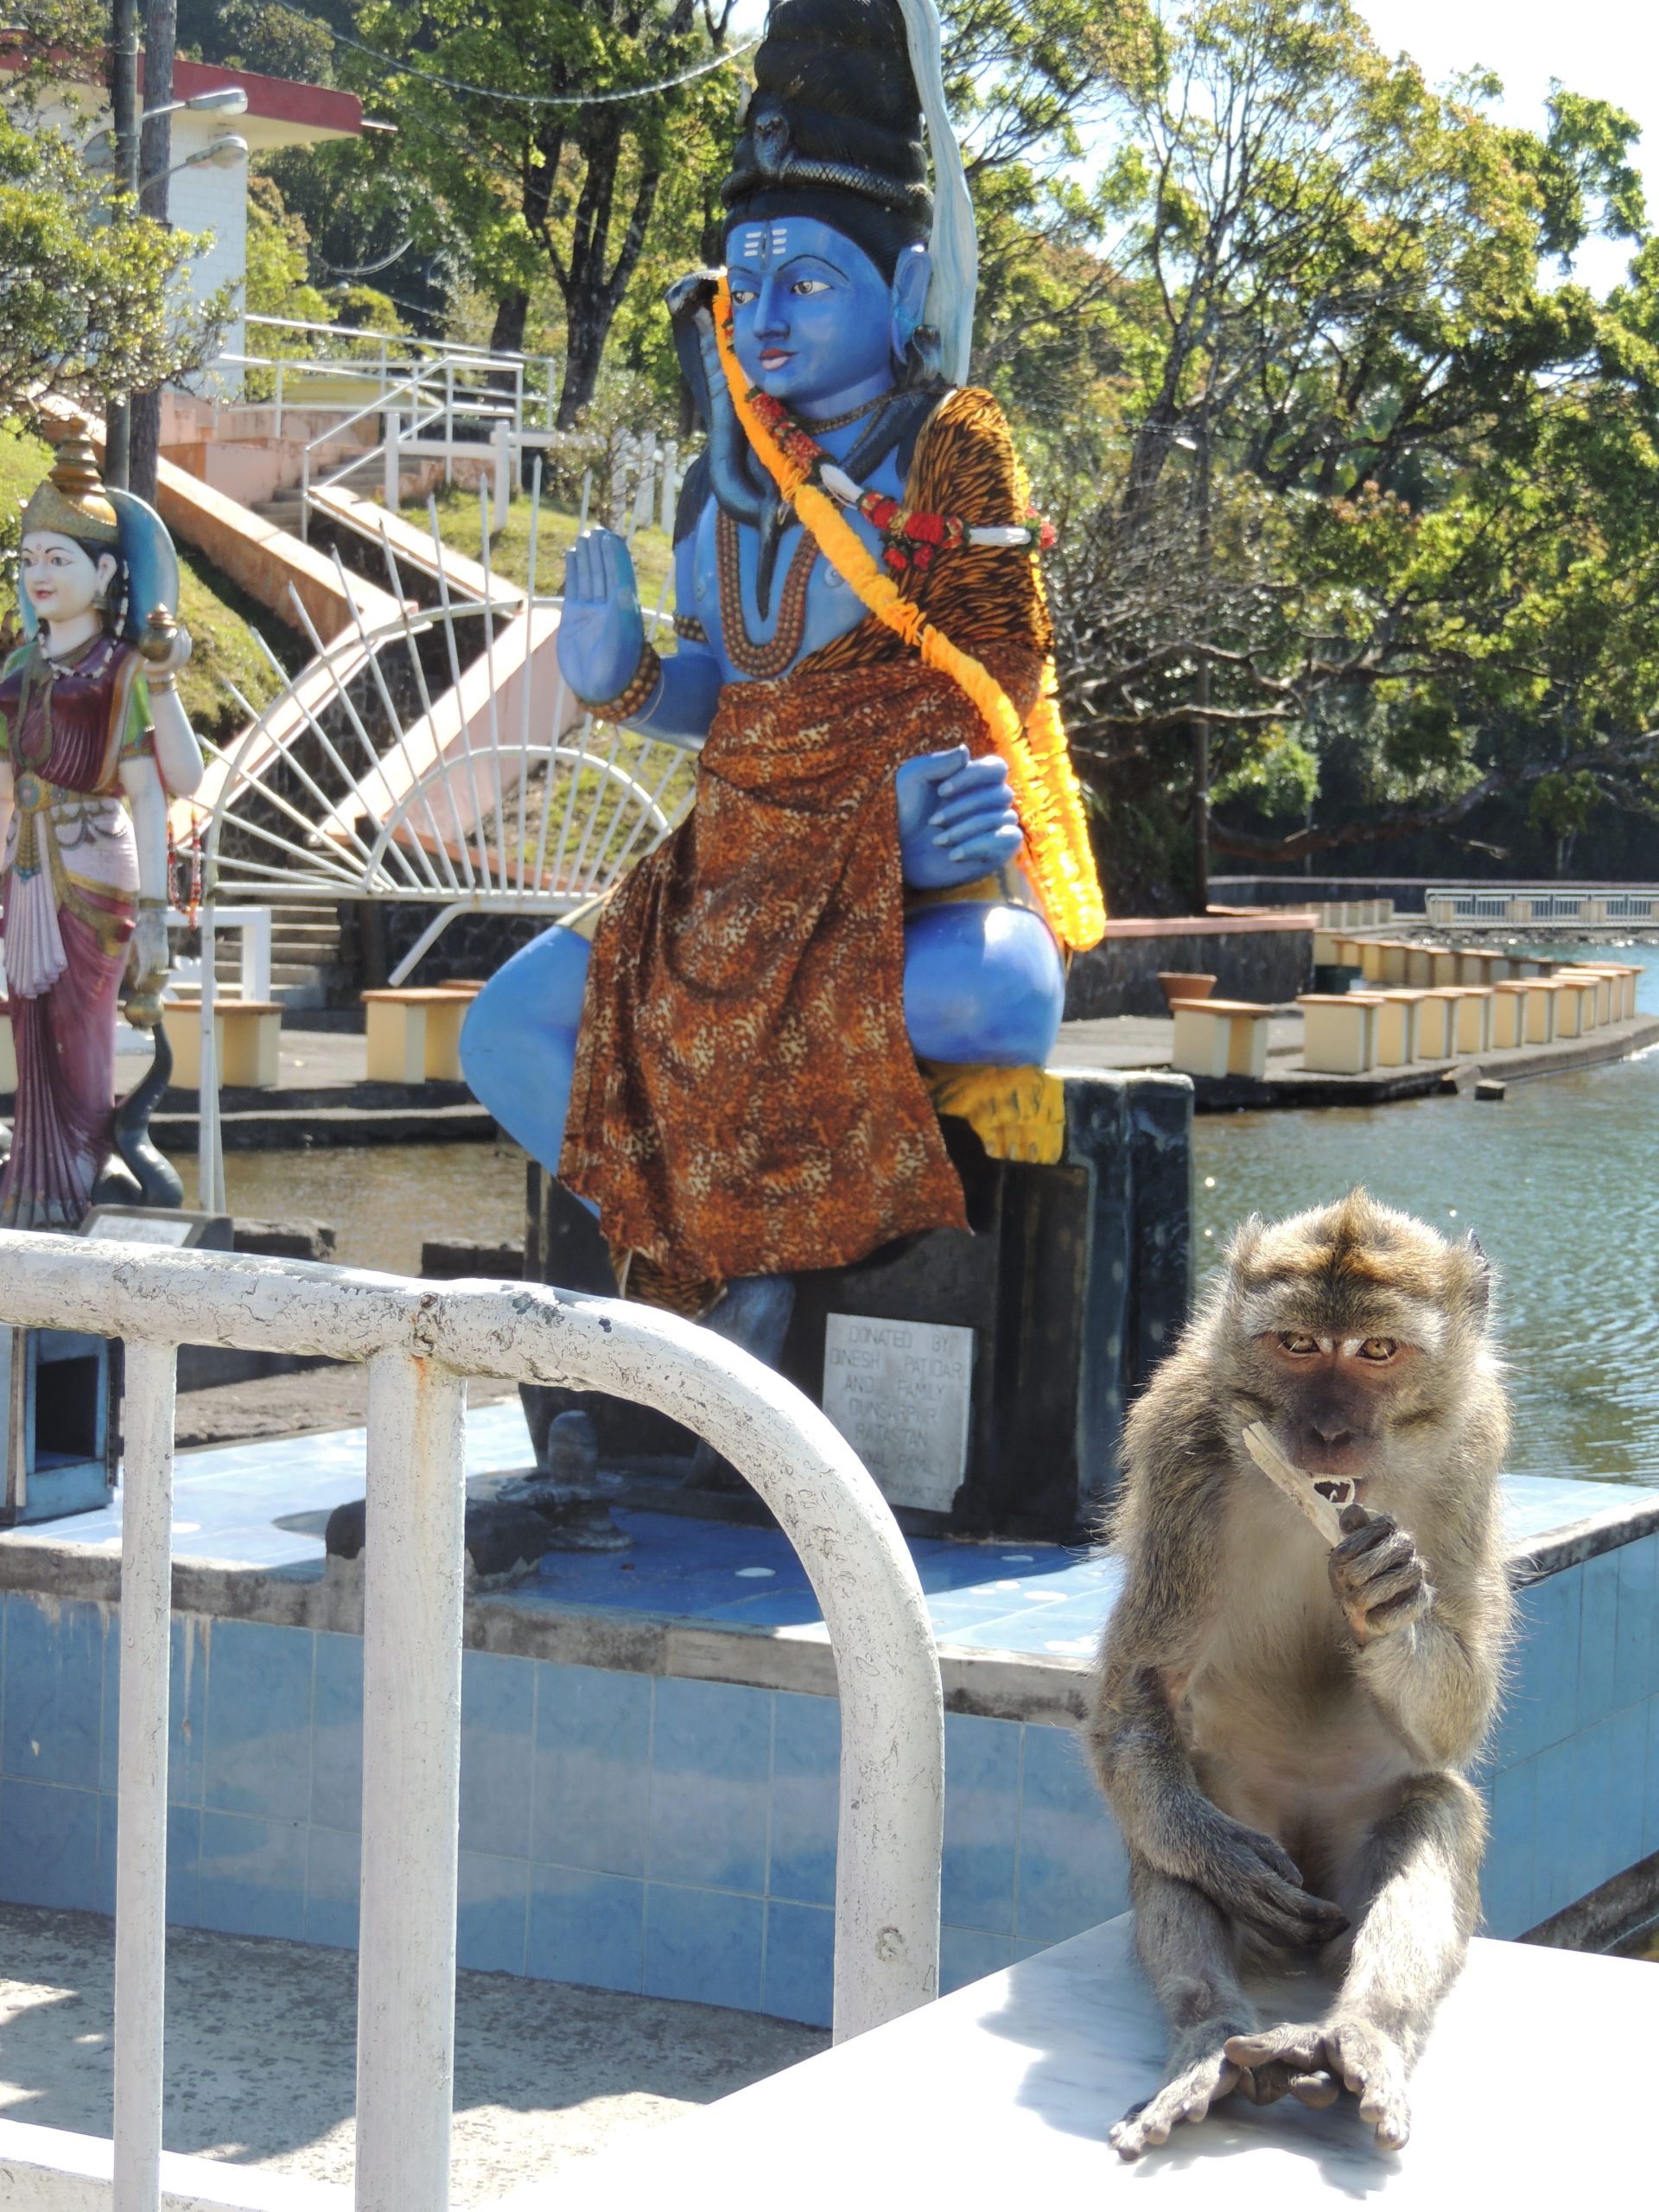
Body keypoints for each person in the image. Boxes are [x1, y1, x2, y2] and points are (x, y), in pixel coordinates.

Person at [463, 0, 1103, 1329]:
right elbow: (729, 688)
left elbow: (1006, 688)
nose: (762, 318)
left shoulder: (950, 452)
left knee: (999, 993)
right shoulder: (721, 485)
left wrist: (925, 844)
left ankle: (742, 1234)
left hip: (916, 898)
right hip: (734, 884)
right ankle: (696, 1254)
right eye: (744, 286)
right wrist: (624, 678)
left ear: (911, 291)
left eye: (807, 283)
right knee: (504, 1031)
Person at [0, 427, 204, 1228]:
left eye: (61, 559)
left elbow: (161, 792)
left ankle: (83, 1164)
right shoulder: (16, 672)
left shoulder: (122, 668)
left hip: (97, 868)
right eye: (31, 559)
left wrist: (155, 920)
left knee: (85, 1026)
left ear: (108, 571)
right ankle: (32, 1176)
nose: (41, 575)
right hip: (25, 870)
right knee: (28, 1019)